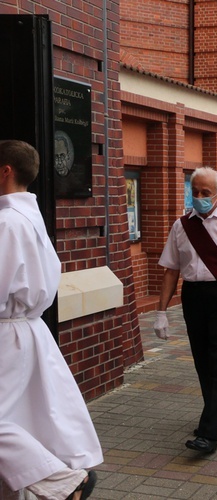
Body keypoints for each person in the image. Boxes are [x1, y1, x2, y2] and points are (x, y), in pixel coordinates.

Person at [0, 140, 102, 499]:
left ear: (6, 171)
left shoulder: (7, 221)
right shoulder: (29, 217)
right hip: (25, 329)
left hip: (7, 332)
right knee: (22, 421)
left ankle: (64, 480)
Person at [155, 166, 217, 454]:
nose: (198, 197)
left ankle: (209, 435)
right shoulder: (181, 225)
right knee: (202, 361)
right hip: (193, 296)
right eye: (195, 191)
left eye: (205, 193)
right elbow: (171, 270)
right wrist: (161, 312)